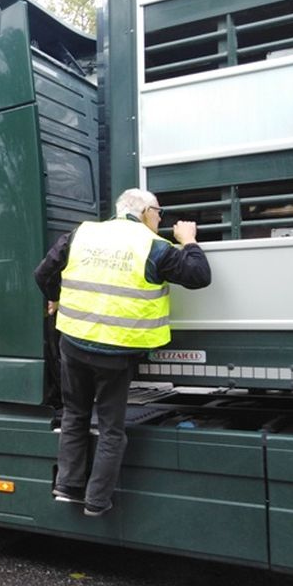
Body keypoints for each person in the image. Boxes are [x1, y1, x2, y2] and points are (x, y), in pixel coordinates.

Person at [34, 188, 211, 517]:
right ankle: (97, 501)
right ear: (144, 212)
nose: (160, 218)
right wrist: (188, 240)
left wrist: (56, 297)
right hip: (114, 353)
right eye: (159, 212)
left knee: (75, 415)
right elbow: (200, 276)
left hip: (73, 342)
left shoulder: (82, 234)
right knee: (112, 429)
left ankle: (67, 486)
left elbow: (42, 273)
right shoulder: (154, 247)